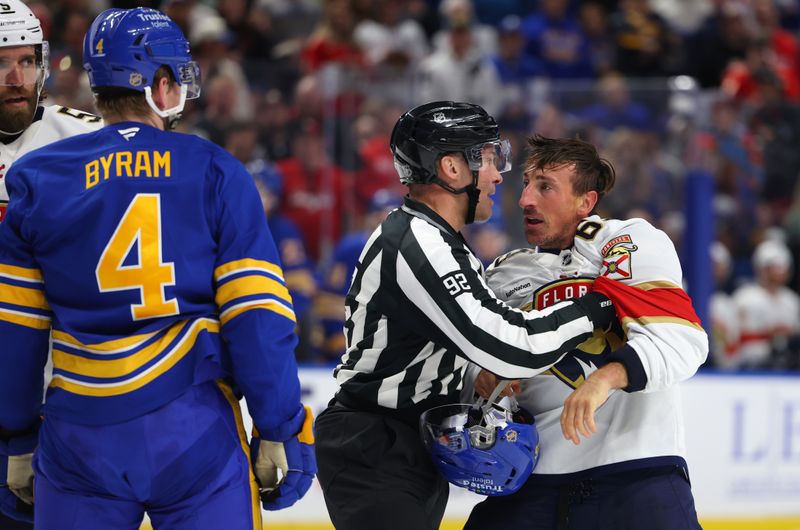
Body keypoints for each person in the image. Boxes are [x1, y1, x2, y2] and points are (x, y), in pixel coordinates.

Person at [0, 8, 315, 530]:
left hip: (78, 431)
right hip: (193, 426)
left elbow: (17, 330)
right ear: (160, 84)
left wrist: (13, 435)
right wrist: (280, 424)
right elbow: (256, 315)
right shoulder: (216, 169)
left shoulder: (37, 177)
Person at [313, 101, 621, 530]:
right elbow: (508, 346)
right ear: (452, 168)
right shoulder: (418, 243)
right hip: (376, 442)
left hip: (402, 441)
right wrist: (596, 305)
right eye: (489, 158)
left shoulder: (441, 242)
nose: (498, 175)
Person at [464, 135, 708, 529]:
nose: (526, 199)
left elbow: (681, 340)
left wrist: (603, 380)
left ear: (586, 202)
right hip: (533, 481)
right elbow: (463, 359)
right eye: (526, 184)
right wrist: (479, 375)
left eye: (545, 187)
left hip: (637, 472)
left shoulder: (628, 241)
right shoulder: (503, 273)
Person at [0, 2, 102, 527]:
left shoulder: (89, 141)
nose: (16, 79)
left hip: (59, 406)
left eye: (27, 61)